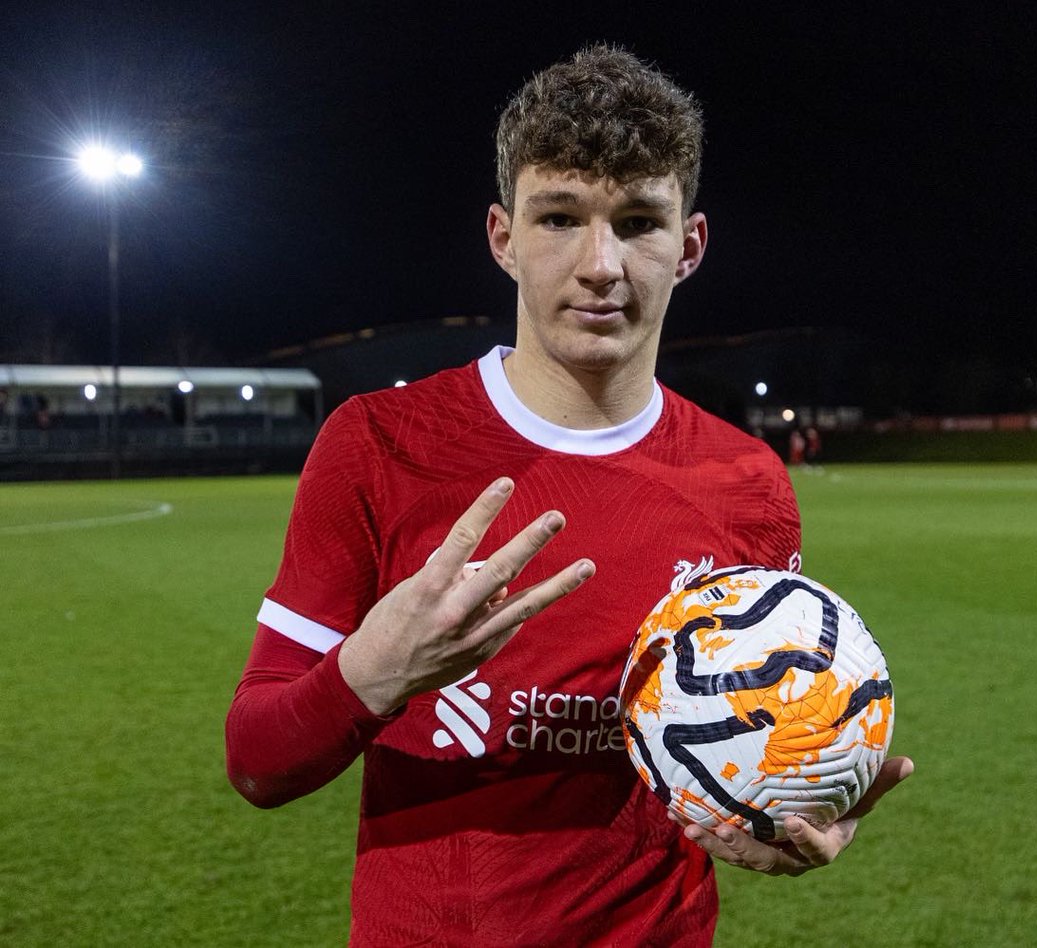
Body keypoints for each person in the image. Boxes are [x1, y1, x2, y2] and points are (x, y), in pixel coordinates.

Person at [225, 45, 913, 946]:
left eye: (637, 222)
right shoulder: (379, 444)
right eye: (559, 217)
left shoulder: (747, 483)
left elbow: (734, 739)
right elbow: (256, 760)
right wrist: (373, 676)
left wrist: (773, 809)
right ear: (503, 238)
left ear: (689, 245)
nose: (601, 263)